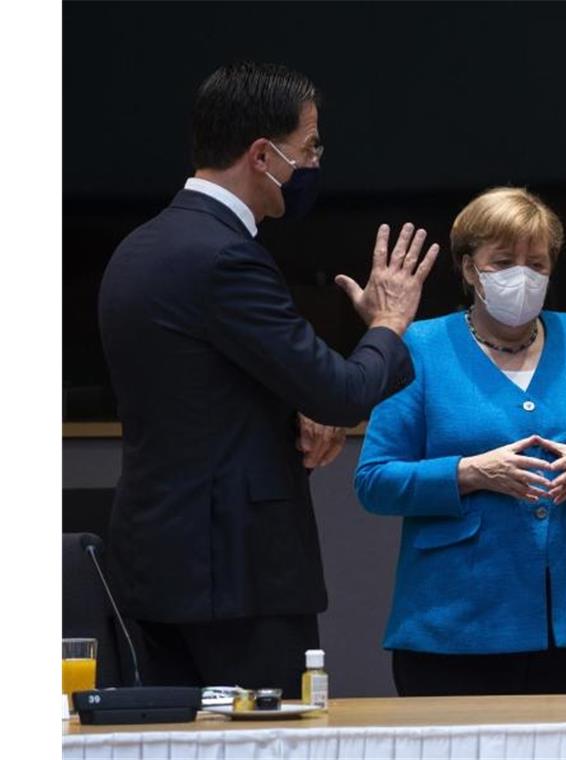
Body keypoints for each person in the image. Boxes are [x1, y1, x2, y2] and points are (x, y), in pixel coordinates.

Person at [97, 61, 439, 695]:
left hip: (153, 566)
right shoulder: (226, 256)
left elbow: (207, 394)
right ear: (262, 154)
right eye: (308, 148)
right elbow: (340, 390)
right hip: (237, 580)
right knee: (266, 743)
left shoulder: (140, 247)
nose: (314, 164)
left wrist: (297, 413)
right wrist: (388, 323)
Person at [354, 187, 566, 696]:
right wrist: (469, 473)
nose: (523, 275)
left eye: (536, 263)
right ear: (469, 269)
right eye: (504, 261)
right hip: (453, 625)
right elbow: (375, 480)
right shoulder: (419, 346)